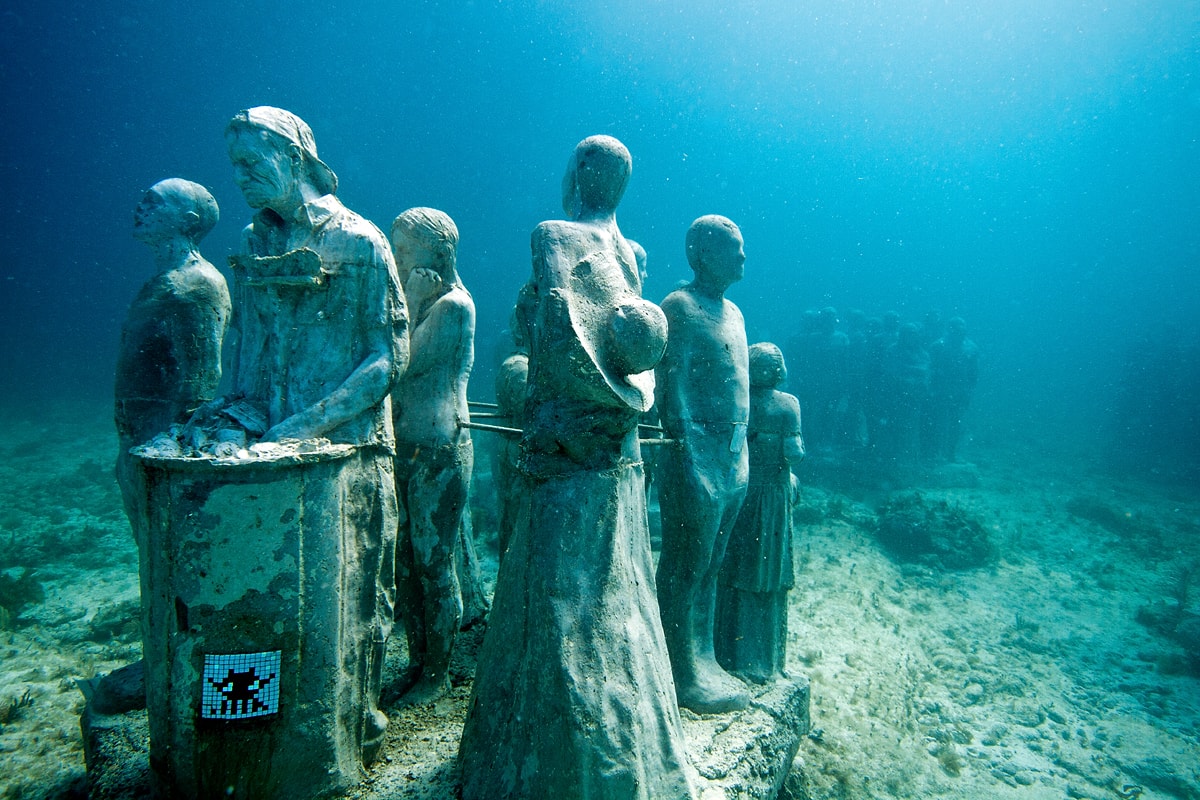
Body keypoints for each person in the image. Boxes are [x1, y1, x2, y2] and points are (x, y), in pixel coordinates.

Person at [459, 136, 695, 800]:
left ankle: (556, 768)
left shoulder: (555, 235)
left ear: (577, 176)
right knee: (616, 598)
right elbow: (621, 355)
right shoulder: (630, 257)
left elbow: (562, 338)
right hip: (616, 452)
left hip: (569, 451)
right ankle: (628, 754)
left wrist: (558, 422)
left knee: (565, 605)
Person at [223, 106, 408, 763]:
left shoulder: (360, 242)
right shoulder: (253, 244)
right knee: (264, 600)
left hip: (346, 457)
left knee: (352, 597)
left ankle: (349, 730)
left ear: (296, 158)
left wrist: (304, 425)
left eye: (252, 163)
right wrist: (233, 416)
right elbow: (241, 344)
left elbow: (388, 357)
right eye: (234, 165)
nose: (239, 177)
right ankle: (268, 744)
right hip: (271, 458)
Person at [655, 214, 751, 714]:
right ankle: (677, 668)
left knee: (712, 564)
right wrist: (689, 458)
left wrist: (741, 457)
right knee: (685, 564)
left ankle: (704, 658)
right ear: (700, 253)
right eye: (733, 247)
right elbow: (673, 391)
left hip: (732, 458)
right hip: (695, 457)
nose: (742, 256)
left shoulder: (733, 312)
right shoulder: (681, 307)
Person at [389, 207, 475, 705]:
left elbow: (401, 365)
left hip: (438, 451)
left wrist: (413, 299)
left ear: (436, 254)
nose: (397, 259)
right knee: (407, 565)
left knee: (434, 565)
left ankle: (437, 674)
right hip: (410, 447)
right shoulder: (427, 305)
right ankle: (417, 661)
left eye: (405, 251)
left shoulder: (452, 307)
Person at [115, 178, 230, 530]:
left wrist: (171, 445)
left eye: (154, 202)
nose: (141, 208)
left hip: (160, 440)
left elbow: (201, 377)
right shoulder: (167, 281)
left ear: (188, 219)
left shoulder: (195, 285)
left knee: (164, 541)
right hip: (139, 436)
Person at [715, 343, 803, 683]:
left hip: (742, 491)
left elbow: (732, 446)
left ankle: (729, 652)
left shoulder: (739, 400)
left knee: (735, 569)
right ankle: (765, 660)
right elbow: (793, 453)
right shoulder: (788, 405)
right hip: (774, 498)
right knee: (768, 573)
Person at [926, 316, 979, 461]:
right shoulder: (938, 346)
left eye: (962, 326)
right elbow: (930, 370)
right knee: (937, 422)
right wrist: (932, 389)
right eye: (957, 326)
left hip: (961, 392)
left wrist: (969, 391)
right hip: (940, 391)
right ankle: (934, 452)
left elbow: (973, 372)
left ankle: (950, 453)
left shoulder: (972, 347)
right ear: (950, 329)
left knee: (956, 423)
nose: (960, 329)